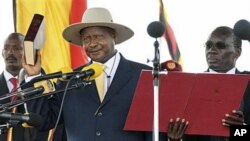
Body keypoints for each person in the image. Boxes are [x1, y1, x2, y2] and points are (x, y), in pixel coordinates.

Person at [22, 7, 188, 141]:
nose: (92, 43)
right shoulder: (69, 80)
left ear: (113, 36)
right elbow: (43, 121)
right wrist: (33, 76)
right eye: (86, 39)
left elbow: (154, 129)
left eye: (98, 36)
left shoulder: (144, 75)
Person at [182, 26, 249, 141]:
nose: (211, 50)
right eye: (208, 45)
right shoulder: (190, 85)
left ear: (237, 52)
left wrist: (239, 130)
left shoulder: (248, 82)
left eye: (220, 46)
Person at [0, 32, 50, 141]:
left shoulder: (43, 83)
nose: (10, 52)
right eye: (6, 48)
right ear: (2, 53)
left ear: (28, 53)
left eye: (17, 48)